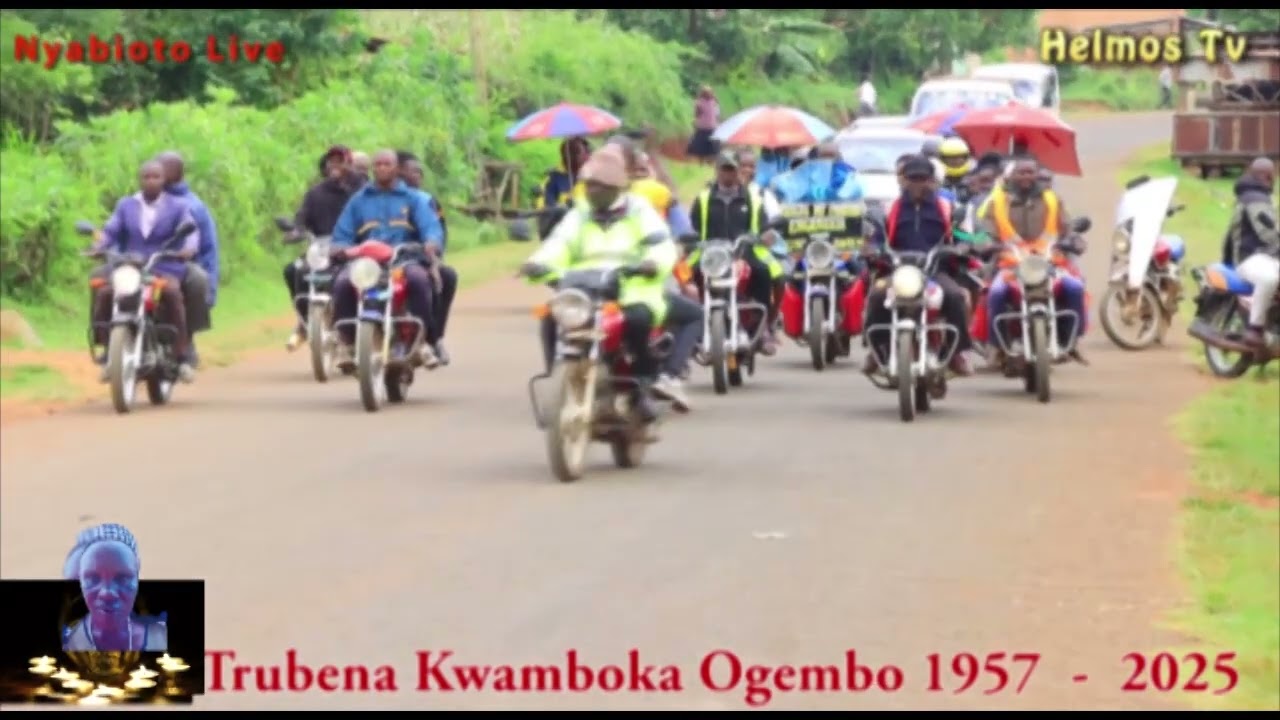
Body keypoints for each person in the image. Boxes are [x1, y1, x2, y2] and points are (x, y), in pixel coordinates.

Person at [519, 146, 686, 417]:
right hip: (583, 287)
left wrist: (651, 263)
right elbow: (560, 243)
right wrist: (539, 263)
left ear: (616, 187)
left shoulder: (639, 210)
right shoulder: (580, 214)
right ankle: (558, 375)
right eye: (589, 185)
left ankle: (639, 388)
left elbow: (660, 243)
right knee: (551, 317)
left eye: (599, 186)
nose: (592, 191)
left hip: (631, 287)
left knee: (640, 319)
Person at [859, 155, 974, 376]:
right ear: (903, 180)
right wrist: (872, 248)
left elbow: (965, 235)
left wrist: (963, 247)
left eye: (923, 178)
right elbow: (875, 237)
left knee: (955, 296)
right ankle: (877, 350)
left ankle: (958, 353)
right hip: (898, 271)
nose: (918, 184)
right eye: (913, 178)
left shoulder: (949, 207)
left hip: (935, 271)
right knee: (876, 295)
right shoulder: (888, 208)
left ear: (933, 181)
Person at [330, 149, 445, 370]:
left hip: (403, 259)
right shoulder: (359, 200)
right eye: (378, 164)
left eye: (387, 164)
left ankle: (422, 342)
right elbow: (342, 234)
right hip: (367, 263)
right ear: (373, 169)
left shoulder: (413, 199)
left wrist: (431, 242)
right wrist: (341, 249)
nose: (382, 168)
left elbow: (431, 229)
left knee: (420, 280)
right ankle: (345, 342)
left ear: (397, 169)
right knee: (343, 282)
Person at [89, 160, 199, 382]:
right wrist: (98, 246)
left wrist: (188, 248)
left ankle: (181, 355)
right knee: (105, 293)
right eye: (146, 177)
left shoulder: (178, 206)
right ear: (139, 179)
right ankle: (107, 351)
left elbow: (190, 231)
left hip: (164, 265)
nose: (150, 181)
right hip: (130, 266)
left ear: (163, 180)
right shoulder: (125, 205)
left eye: (155, 177)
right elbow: (110, 230)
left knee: (172, 295)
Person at [976, 155, 1087, 363]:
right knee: (996, 293)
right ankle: (999, 345)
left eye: (1030, 172)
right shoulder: (997, 202)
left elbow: (1067, 228)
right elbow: (984, 231)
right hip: (1010, 265)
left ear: (1037, 174)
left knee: (1075, 288)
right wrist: (986, 244)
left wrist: (1075, 241)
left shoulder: (1052, 200)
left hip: (1049, 264)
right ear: (1012, 175)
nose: (1026, 176)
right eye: (1021, 172)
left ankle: (1071, 340)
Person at [687, 150, 784, 355]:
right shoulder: (703, 198)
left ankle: (765, 325)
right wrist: (690, 240)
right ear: (717, 171)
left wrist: (766, 235)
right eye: (724, 169)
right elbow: (692, 228)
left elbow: (764, 226)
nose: (728, 174)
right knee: (687, 277)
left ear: (737, 172)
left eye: (732, 169)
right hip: (711, 255)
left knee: (769, 274)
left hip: (744, 251)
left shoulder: (753, 198)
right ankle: (692, 327)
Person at [284, 145, 366, 350]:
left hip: (353, 248)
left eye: (340, 161)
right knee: (295, 270)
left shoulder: (363, 191)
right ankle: (305, 323)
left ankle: (360, 326)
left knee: (356, 277)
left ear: (350, 164)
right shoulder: (315, 193)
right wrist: (296, 231)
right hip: (322, 249)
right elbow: (301, 218)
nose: (335, 166)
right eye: (331, 162)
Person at [61, 523, 167, 652]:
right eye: (93, 578)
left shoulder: (159, 636)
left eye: (123, 578)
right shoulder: (71, 642)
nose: (107, 593)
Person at [397, 151, 458, 364]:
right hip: (383, 260)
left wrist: (435, 257)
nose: (418, 175)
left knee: (446, 277)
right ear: (399, 171)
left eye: (420, 172)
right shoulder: (373, 198)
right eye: (413, 170)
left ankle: (435, 338)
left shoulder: (427, 201)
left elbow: (438, 232)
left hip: (417, 257)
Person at [156, 152, 215, 365]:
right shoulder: (139, 200)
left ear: (176, 172)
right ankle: (109, 340)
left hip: (178, 263)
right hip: (143, 261)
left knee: (198, 280)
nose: (157, 173)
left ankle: (186, 338)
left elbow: (207, 248)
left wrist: (211, 289)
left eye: (162, 169)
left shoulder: (192, 206)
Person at [1225, 157, 1279, 350]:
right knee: (1269, 279)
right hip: (1250, 257)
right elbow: (1269, 234)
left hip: (1267, 256)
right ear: (1266, 175)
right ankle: (1255, 328)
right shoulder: (1254, 198)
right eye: (1273, 175)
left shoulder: (1260, 196)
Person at [537, 137, 591, 212]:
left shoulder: (594, 176)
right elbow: (545, 206)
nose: (587, 157)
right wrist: (562, 207)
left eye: (588, 152)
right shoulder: (554, 177)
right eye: (573, 152)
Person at [687, 85, 721, 165]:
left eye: (709, 93)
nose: (708, 94)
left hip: (710, 126)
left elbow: (716, 114)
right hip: (704, 127)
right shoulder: (700, 103)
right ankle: (702, 162)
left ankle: (709, 162)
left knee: (710, 147)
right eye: (706, 93)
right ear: (703, 94)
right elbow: (697, 114)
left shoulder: (713, 102)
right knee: (702, 146)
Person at [937, 137, 975, 203]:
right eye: (950, 158)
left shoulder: (973, 178)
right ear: (942, 159)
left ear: (966, 157)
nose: (955, 161)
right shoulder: (937, 179)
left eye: (959, 157)